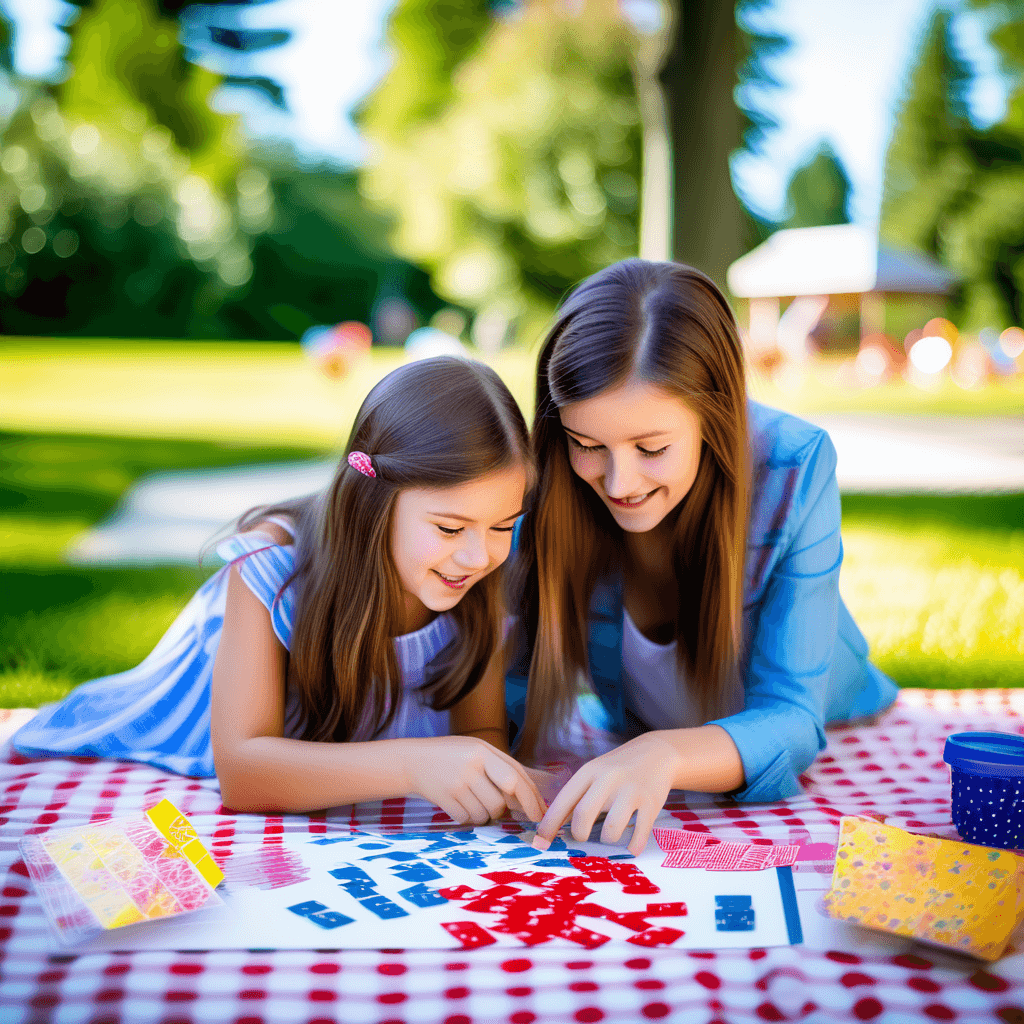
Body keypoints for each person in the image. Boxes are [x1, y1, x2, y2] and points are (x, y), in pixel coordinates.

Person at [15, 357, 546, 824]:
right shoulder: (271, 567)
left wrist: (488, 774)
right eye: (450, 528)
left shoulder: (479, 573)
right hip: (201, 743)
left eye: (503, 525)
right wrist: (414, 764)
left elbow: (482, 731)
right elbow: (244, 773)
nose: (481, 555)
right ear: (374, 503)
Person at [506, 260, 899, 855]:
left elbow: (793, 717)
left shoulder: (794, 466)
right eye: (589, 445)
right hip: (645, 734)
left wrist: (664, 752)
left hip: (849, 716)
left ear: (715, 418)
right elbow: (507, 680)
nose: (619, 482)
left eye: (652, 448)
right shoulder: (553, 476)